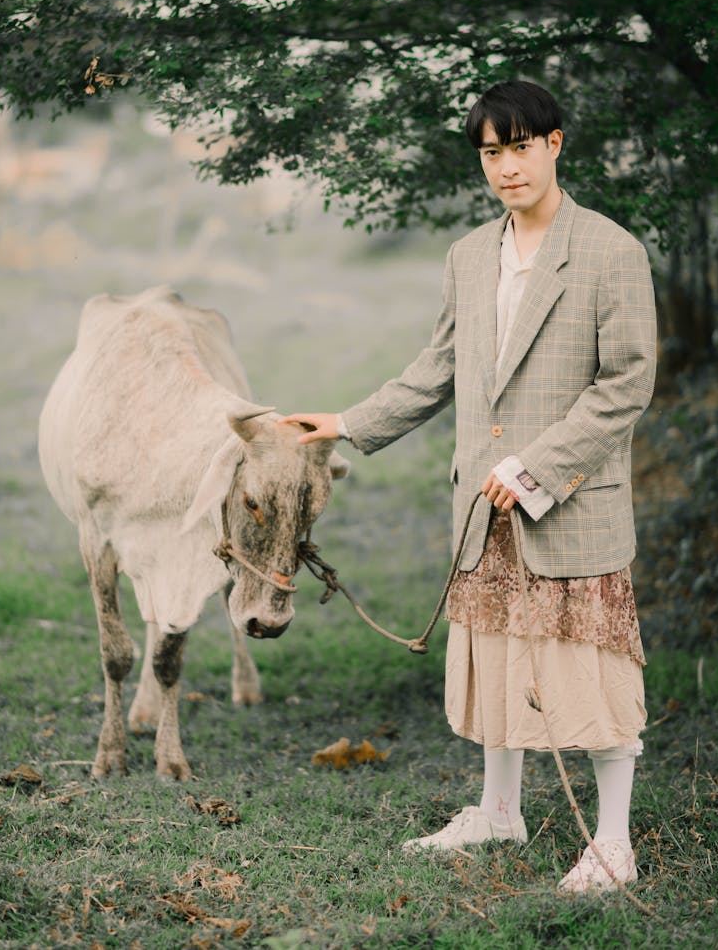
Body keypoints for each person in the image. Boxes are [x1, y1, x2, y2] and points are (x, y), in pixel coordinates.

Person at [281, 80, 657, 893]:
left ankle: (614, 842)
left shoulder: (610, 250)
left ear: (555, 145)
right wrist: (347, 422)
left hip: (567, 505)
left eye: (520, 147)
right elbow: (442, 366)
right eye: (491, 152)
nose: (506, 167)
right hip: (480, 510)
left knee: (590, 673)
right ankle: (498, 810)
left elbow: (625, 384)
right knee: (493, 657)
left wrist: (534, 468)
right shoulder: (468, 256)